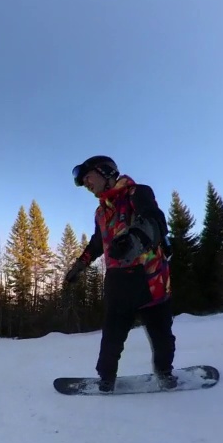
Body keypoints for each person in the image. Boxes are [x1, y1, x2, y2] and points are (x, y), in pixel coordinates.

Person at [63, 155, 176, 392]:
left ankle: (165, 374)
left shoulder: (137, 193)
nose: (86, 184)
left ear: (105, 172)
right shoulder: (100, 212)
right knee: (111, 339)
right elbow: (97, 243)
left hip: (149, 279)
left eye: (88, 177)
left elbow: (154, 220)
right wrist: (79, 266)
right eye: (83, 181)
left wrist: (133, 240)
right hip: (118, 283)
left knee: (162, 337)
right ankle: (106, 380)